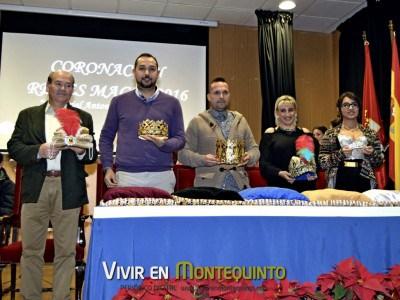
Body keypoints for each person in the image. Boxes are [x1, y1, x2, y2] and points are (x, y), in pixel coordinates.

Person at [7, 70, 97, 299]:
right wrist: (39, 150)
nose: (63, 89)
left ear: (72, 90)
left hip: (68, 188)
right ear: (47, 85)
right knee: (31, 251)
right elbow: (14, 147)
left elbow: (92, 155)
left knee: (66, 252)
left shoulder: (83, 117)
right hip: (36, 187)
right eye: (58, 84)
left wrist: (80, 151)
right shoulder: (28, 115)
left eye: (68, 85)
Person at [99, 53, 185, 193]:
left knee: (161, 216)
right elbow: (106, 138)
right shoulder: (118, 102)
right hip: (127, 176)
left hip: (162, 176)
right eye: (142, 68)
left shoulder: (172, 103)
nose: (147, 73)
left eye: (152, 69)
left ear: (158, 73)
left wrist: (165, 144)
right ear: (134, 72)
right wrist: (108, 167)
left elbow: (180, 139)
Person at [178, 77, 260, 191]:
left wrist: (249, 156)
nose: (221, 96)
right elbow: (182, 154)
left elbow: (255, 149)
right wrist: (203, 159)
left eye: (225, 92)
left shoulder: (241, 120)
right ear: (209, 97)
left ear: (229, 96)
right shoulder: (197, 121)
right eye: (217, 93)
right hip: (208, 188)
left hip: (239, 187)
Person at [319, 91, 384, 192]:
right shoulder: (330, 134)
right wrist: (340, 154)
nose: (350, 108)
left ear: (359, 108)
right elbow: (322, 162)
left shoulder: (370, 133)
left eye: (354, 104)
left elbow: (380, 161)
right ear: (339, 109)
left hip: (364, 178)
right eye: (346, 105)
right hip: (339, 180)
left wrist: (372, 154)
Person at [259, 95, 318, 192]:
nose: (287, 114)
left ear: (295, 112)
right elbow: (264, 165)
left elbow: (312, 160)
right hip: (279, 188)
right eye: (283, 110)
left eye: (290, 110)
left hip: (305, 189)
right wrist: (279, 172)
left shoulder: (305, 133)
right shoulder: (270, 134)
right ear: (277, 113)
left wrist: (311, 172)